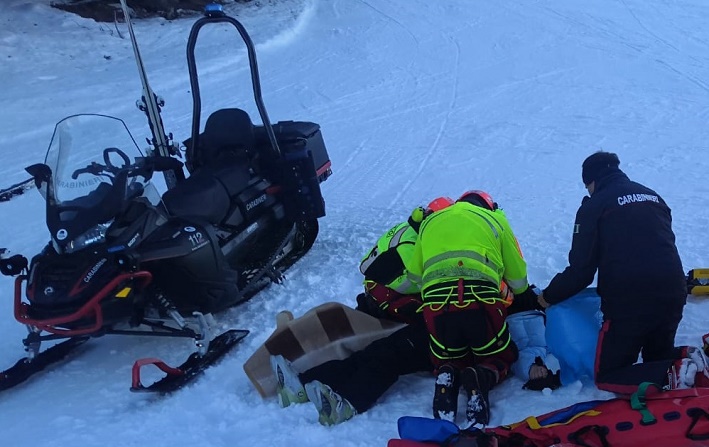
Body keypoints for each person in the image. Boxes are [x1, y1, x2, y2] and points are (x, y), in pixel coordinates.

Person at [537, 151, 708, 394]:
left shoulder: (595, 206)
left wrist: (547, 297)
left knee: (608, 374)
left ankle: (678, 370)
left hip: (630, 301)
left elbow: (581, 271)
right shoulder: (653, 196)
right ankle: (687, 358)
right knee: (654, 360)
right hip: (673, 291)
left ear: (592, 181)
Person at [269, 289, 553, 426]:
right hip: (457, 332)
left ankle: (347, 402)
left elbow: (529, 345)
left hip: (445, 337)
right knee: (378, 353)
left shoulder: (525, 308)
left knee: (387, 357)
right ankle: (304, 384)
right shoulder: (516, 292)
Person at [408, 190, 534, 426]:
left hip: (437, 307)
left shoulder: (430, 222)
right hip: (481, 302)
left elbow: (415, 276)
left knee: (449, 354)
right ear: (489, 206)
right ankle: (482, 377)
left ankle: (448, 373)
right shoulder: (496, 220)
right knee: (501, 354)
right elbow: (518, 280)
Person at [356, 196, 454, 324]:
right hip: (385, 296)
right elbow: (425, 282)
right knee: (437, 319)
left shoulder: (411, 227)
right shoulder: (414, 243)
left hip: (377, 285)